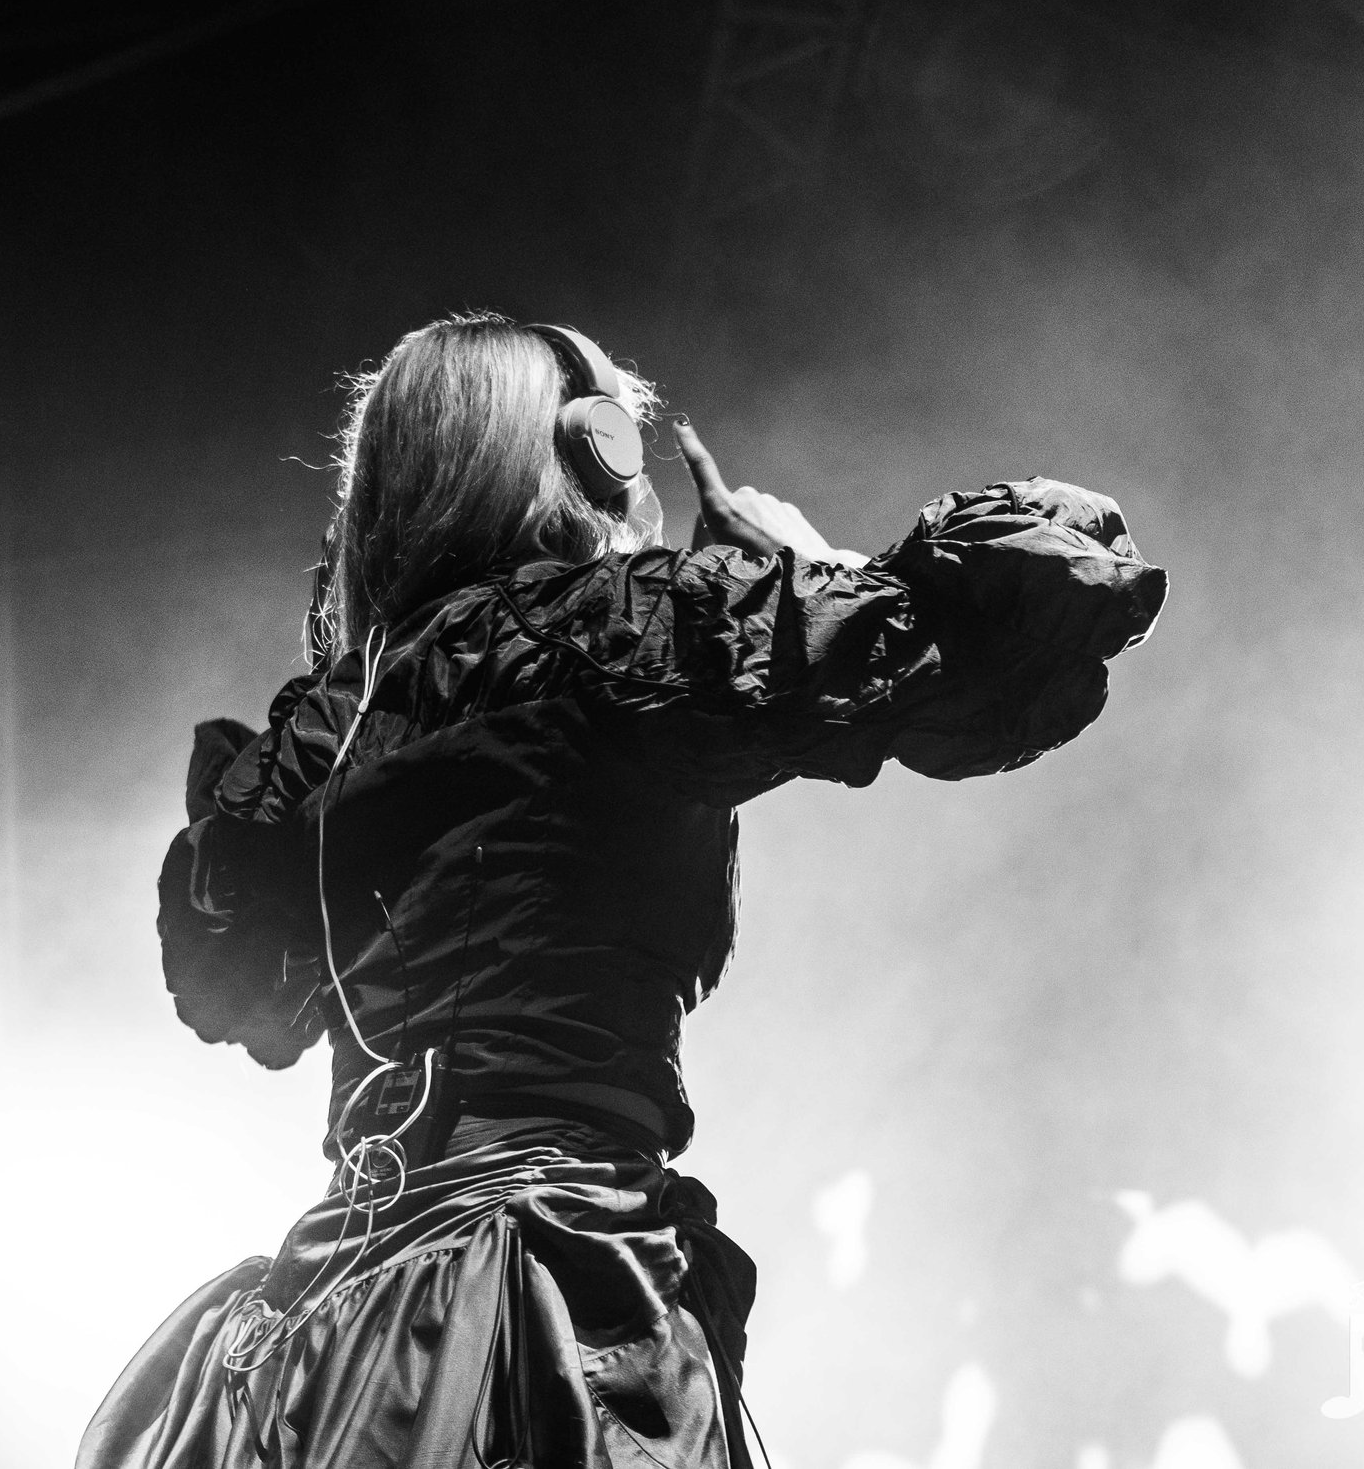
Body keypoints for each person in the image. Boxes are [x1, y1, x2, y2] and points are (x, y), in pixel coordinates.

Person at [78, 312, 1167, 1469]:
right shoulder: (612, 634)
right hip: (540, 1292)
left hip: (333, 1335)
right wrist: (815, 571)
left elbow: (228, 987)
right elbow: (1003, 624)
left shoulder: (324, 721)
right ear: (579, 449)